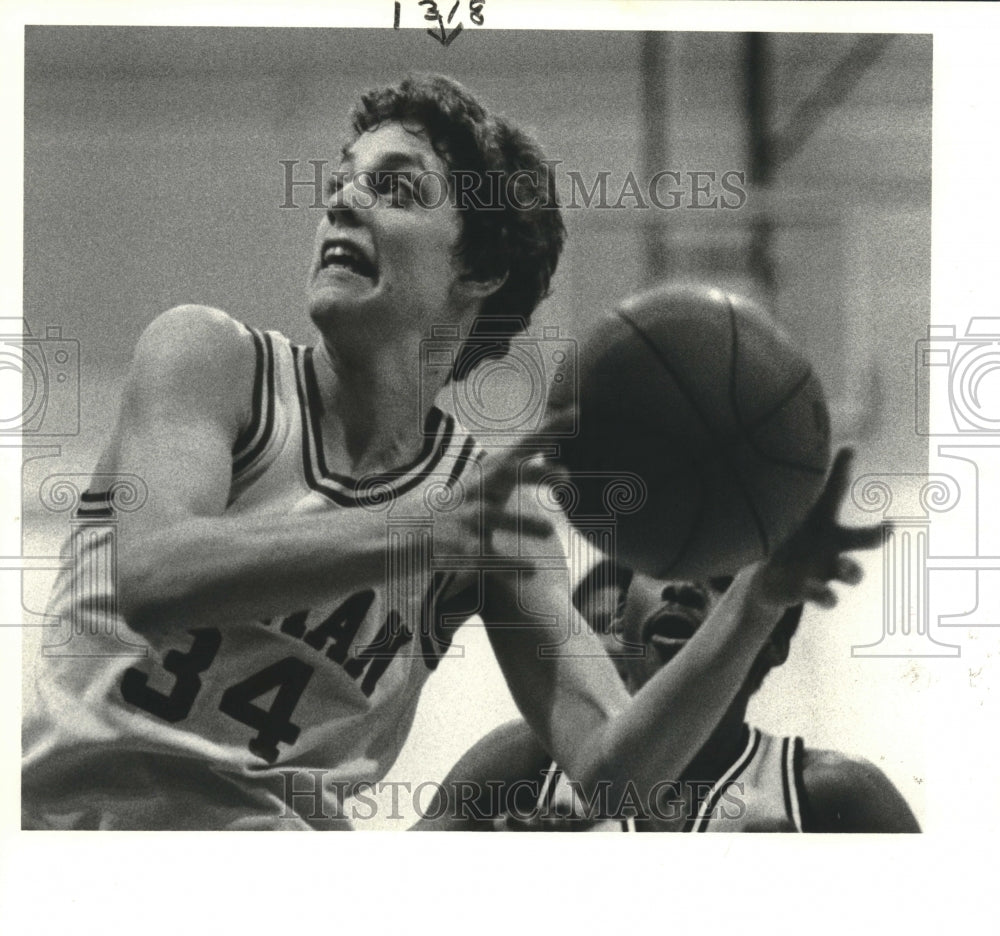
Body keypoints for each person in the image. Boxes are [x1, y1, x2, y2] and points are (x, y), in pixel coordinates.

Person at [22, 73, 880, 830]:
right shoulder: (213, 359)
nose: (343, 201)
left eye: (394, 187)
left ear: (478, 270)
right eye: (339, 183)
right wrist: (421, 534)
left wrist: (758, 603)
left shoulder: (487, 517)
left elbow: (617, 776)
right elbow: (159, 576)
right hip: (73, 863)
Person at [413, 562, 920, 832]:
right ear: (617, 620)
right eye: (663, 567)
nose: (682, 589)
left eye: (722, 582)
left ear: (774, 638)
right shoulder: (524, 760)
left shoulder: (836, 795)